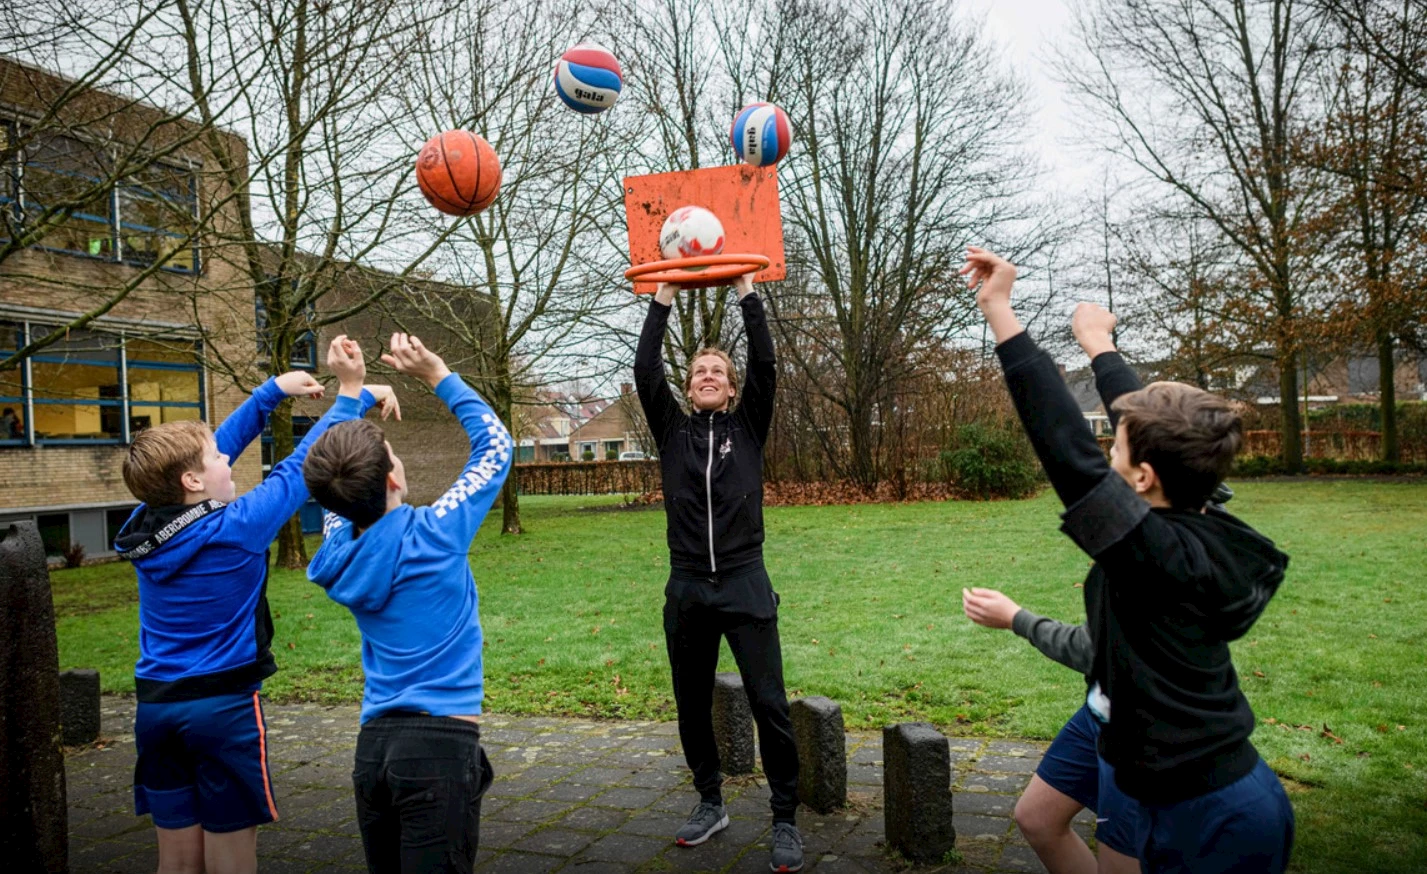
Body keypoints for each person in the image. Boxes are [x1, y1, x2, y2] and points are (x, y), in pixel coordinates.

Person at [963, 247, 1294, 873]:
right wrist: (1097, 346)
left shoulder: (1153, 554)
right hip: (1193, 781)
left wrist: (1000, 312)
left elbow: (1064, 447)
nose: (1105, 444)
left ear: (1141, 477)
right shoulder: (1200, 509)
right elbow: (1149, 425)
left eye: (1113, 443)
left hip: (1212, 814)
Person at [114, 336, 393, 874]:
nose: (227, 456)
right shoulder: (237, 528)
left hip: (154, 711)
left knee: (174, 862)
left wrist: (271, 393)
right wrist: (351, 389)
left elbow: (201, 455)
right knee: (231, 860)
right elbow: (301, 464)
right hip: (221, 710)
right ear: (193, 481)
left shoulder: (141, 526)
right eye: (217, 457)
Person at [302, 333, 512, 874]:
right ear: (394, 477)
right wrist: (437, 374)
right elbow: (496, 447)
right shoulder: (437, 534)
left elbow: (325, 472)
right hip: (440, 750)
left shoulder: (338, 548)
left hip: (372, 750)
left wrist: (350, 389)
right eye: (393, 452)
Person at [633, 274, 804, 872]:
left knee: (770, 704)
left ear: (731, 391)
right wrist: (662, 297)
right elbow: (644, 370)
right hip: (686, 588)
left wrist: (746, 290)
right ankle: (711, 802)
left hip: (744, 580)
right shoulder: (672, 432)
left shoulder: (748, 427)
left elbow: (766, 361)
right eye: (699, 371)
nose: (708, 376)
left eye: (718, 373)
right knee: (690, 702)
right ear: (689, 388)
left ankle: (785, 817)